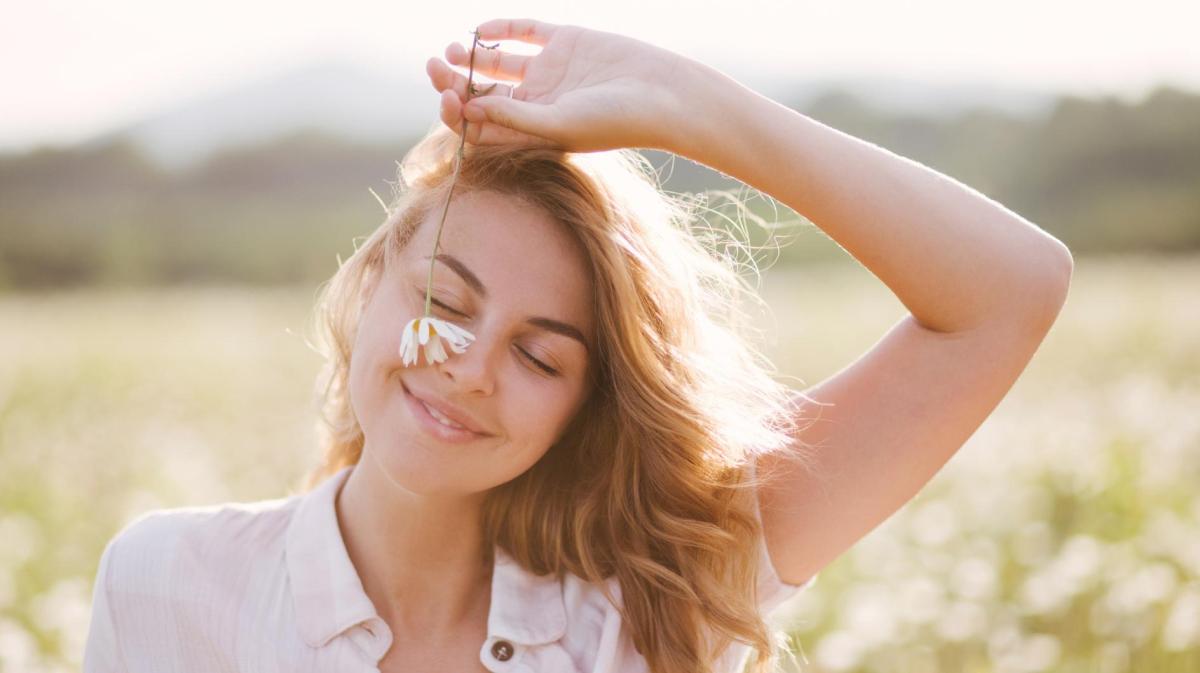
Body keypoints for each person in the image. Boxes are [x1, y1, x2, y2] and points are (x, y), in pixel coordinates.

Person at [82, 17, 1073, 673]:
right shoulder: (164, 583)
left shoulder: (654, 603)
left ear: (582, 405)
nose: (469, 366)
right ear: (372, 282)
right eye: (446, 301)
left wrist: (687, 103)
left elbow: (1009, 289)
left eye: (539, 356)